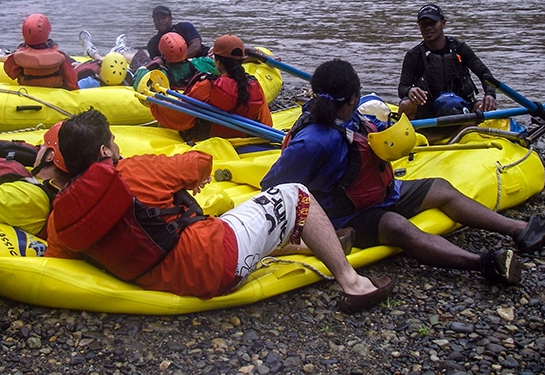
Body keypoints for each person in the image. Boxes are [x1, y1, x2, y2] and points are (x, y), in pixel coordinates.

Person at [43, 109, 394, 314]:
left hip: (164, 277)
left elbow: (59, 257)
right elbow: (201, 161)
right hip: (217, 265)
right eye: (115, 143)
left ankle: (308, 246)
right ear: (106, 150)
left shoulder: (61, 218)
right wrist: (187, 184)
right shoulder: (136, 169)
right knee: (294, 194)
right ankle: (353, 284)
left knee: (227, 221)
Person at [262, 59, 545, 286]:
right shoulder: (313, 140)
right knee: (397, 226)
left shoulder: (351, 118)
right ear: (354, 96)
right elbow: (272, 184)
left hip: (382, 193)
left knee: (441, 188)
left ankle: (522, 230)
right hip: (343, 215)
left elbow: (375, 139)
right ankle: (485, 264)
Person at [150, 34, 273, 141]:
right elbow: (267, 123)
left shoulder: (207, 85)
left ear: (217, 62)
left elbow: (179, 115)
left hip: (206, 141)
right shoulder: (253, 84)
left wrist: (156, 103)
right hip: (245, 139)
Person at [398, 3, 498, 120]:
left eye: (432, 23)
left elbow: (484, 73)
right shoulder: (413, 55)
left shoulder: (460, 48)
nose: (428, 28)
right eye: (423, 24)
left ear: (443, 23)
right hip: (428, 108)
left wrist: (490, 95)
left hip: (461, 105)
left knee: (485, 108)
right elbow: (402, 88)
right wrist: (410, 90)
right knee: (406, 104)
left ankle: (464, 133)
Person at [3, 13, 79, 90]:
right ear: (47, 31)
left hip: (27, 92)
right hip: (54, 94)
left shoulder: (18, 57)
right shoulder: (60, 56)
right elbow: (72, 84)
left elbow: (10, 73)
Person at [135, 32, 217, 90]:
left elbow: (138, 83)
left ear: (162, 53)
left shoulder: (161, 74)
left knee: (140, 57)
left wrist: (145, 67)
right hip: (187, 79)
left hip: (162, 74)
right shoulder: (198, 64)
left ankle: (123, 52)